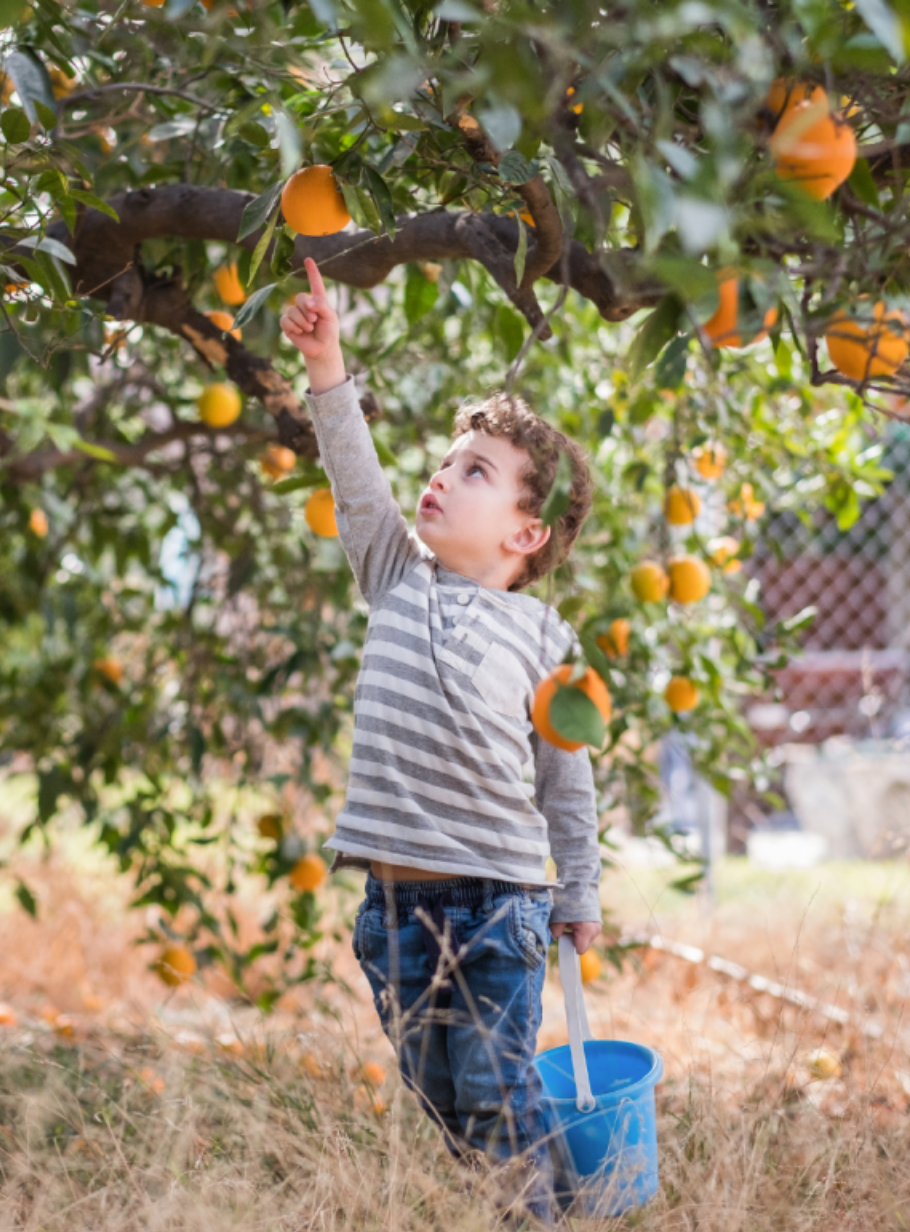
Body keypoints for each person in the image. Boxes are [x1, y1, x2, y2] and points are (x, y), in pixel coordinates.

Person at [280, 257, 603, 1223]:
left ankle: (538, 1215)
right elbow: (355, 476)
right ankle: (563, 1202)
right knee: (447, 1103)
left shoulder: (545, 640)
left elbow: (567, 782)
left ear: (525, 535)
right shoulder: (395, 573)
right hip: (392, 910)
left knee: (497, 1095)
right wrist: (326, 364)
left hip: (499, 903)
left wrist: (579, 893)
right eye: (447, 461)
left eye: (475, 473)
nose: (441, 477)